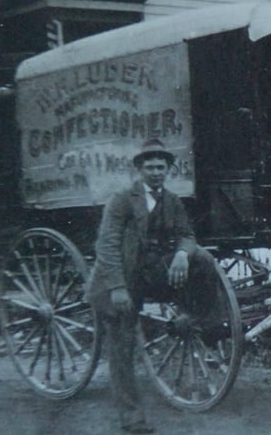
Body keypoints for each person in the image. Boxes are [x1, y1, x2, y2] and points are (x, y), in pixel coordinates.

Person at [86, 138, 223, 433]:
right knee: (122, 349)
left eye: (161, 167)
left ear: (168, 170)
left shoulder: (171, 201)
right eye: (150, 167)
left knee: (202, 258)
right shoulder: (122, 199)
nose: (156, 172)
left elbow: (187, 234)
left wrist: (183, 256)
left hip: (150, 274)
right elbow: (106, 245)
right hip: (120, 280)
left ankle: (205, 321)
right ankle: (132, 419)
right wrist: (117, 287)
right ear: (139, 169)